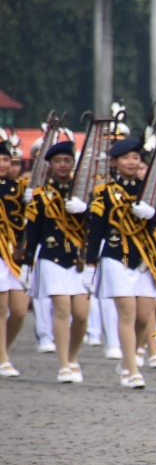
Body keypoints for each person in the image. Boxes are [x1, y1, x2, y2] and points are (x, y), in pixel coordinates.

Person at [86, 138, 156, 389]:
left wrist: (153, 215)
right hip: (116, 257)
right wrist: (90, 264)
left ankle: (130, 358)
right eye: (126, 158)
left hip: (145, 259)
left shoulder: (149, 191)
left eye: (135, 157)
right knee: (127, 314)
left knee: (144, 317)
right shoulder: (105, 192)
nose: (132, 162)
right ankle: (131, 369)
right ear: (115, 162)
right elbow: (96, 231)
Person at [22, 140, 90, 383]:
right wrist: (27, 263)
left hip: (78, 259)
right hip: (52, 257)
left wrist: (85, 208)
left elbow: (96, 224)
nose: (63, 165)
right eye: (58, 161)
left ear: (73, 163)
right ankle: (63, 364)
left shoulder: (83, 192)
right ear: (50, 164)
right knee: (62, 309)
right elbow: (34, 231)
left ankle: (72, 357)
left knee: (82, 315)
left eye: (67, 160)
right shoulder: (41, 195)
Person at [0, 140, 29, 376]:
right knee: (1, 308)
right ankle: (3, 359)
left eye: (6, 160)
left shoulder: (19, 189)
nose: (2, 164)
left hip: (15, 255)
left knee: (20, 310)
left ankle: (3, 351)